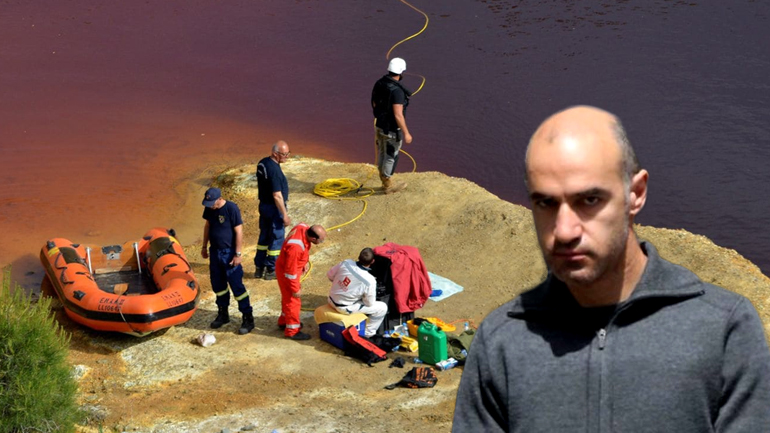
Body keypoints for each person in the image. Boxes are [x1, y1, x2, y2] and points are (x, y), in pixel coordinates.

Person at [452, 106, 770, 432]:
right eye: (546, 203)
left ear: (636, 194)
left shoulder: (724, 330)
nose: (564, 230)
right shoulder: (501, 341)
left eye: (589, 200)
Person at [201, 187, 254, 335]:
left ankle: (248, 318)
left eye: (212, 203)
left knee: (237, 287)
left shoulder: (231, 208)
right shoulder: (209, 208)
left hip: (229, 253)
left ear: (219, 199)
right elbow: (207, 226)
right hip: (215, 252)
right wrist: (204, 246)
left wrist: (238, 253)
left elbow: (238, 231)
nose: (210, 206)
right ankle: (223, 314)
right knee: (218, 286)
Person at [275, 223, 327, 340]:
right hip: (287, 275)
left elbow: (303, 250)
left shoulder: (302, 227)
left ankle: (284, 321)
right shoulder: (296, 248)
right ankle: (292, 330)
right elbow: (290, 272)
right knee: (293, 301)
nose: (321, 242)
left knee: (287, 299)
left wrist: (304, 262)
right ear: (313, 238)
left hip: (285, 268)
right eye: (321, 240)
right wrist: (295, 289)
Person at [371, 57, 412, 194]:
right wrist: (406, 133)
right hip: (392, 130)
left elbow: (374, 103)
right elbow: (398, 115)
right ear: (401, 72)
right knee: (391, 156)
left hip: (379, 126)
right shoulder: (397, 91)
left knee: (382, 152)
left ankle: (384, 179)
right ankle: (387, 184)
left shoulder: (379, 83)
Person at [327, 247, 388, 337]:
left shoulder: (346, 263)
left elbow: (330, 275)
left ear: (359, 257)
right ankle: (368, 334)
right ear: (372, 261)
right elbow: (369, 303)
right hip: (344, 308)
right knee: (382, 308)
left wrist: (343, 287)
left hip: (330, 300)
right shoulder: (369, 280)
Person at [254, 140, 291, 281]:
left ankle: (259, 267)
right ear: (275, 154)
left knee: (264, 236)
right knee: (276, 238)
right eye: (284, 154)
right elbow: (277, 195)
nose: (287, 157)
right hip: (274, 208)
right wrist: (284, 215)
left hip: (264, 206)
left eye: (288, 153)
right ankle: (271, 269)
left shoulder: (263, 163)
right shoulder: (274, 171)